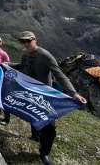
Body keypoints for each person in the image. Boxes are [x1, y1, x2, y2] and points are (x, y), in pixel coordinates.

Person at [15, 31, 87, 165]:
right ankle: (35, 136)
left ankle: (44, 153)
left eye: (28, 41)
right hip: (31, 93)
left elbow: (59, 75)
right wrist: (8, 65)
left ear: (35, 40)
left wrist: (73, 93)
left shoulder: (45, 55)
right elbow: (21, 67)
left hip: (45, 96)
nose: (26, 44)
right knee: (33, 116)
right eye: (23, 41)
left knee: (50, 128)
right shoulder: (25, 54)